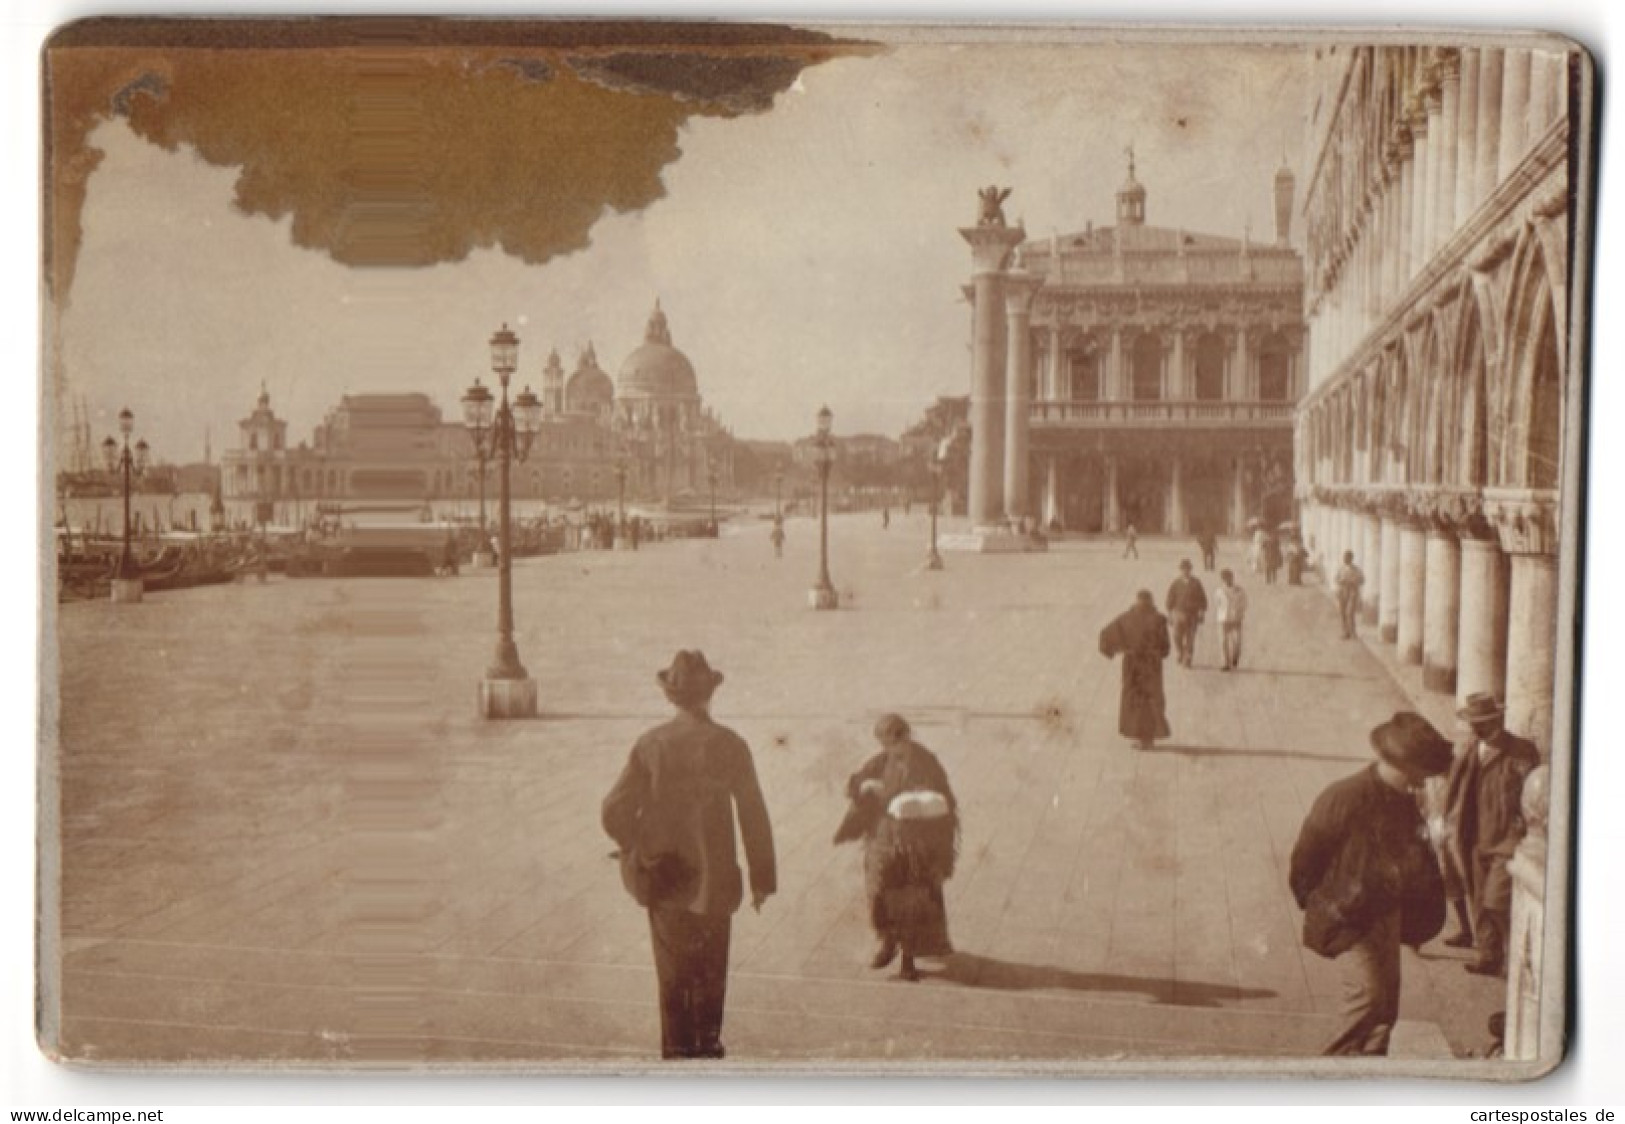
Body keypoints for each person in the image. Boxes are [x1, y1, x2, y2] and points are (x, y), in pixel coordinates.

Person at [601, 650, 776, 1060]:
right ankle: (708, 1050)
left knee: (673, 980)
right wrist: (763, 880)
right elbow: (754, 815)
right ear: (708, 695)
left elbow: (613, 809)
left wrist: (636, 846)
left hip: (665, 881)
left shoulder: (651, 744)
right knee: (711, 977)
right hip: (715, 883)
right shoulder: (730, 744)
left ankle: (677, 1063)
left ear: (671, 697)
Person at [1289, 711, 1453, 1056]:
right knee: (1367, 1002)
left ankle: (1369, 1073)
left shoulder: (1406, 802)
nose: (1427, 780)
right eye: (1424, 772)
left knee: (1385, 1011)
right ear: (1409, 767)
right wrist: (1325, 905)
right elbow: (1305, 860)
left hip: (1387, 916)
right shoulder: (1345, 796)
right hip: (1350, 919)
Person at [841, 714, 959, 983]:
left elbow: (945, 800)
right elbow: (855, 782)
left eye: (892, 743)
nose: (888, 749)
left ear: (905, 737)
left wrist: (922, 800)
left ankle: (908, 960)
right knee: (880, 892)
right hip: (884, 839)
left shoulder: (926, 761)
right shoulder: (882, 760)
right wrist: (864, 786)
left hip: (917, 843)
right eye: (884, 743)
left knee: (912, 900)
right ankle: (887, 942)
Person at [1438, 693, 1540, 977]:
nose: (1477, 728)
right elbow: (1455, 789)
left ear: (1497, 720)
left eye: (1482, 722)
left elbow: (1532, 794)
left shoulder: (1521, 751)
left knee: (1496, 901)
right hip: (1472, 838)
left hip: (1505, 841)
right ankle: (1488, 956)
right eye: (1474, 723)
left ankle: (1516, 957)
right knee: (1480, 899)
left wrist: (1520, 828)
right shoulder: (1472, 749)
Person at [1098, 590, 1172, 750]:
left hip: (1132, 666)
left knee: (1135, 700)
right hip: (1152, 666)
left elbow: (1105, 636)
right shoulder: (1159, 620)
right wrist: (1158, 653)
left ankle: (1140, 736)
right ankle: (1149, 738)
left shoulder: (1126, 618)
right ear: (1151, 601)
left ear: (1136, 601)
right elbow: (1166, 648)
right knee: (1152, 699)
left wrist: (1116, 650)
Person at [1165, 559, 1208, 668]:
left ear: (1190, 570)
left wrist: (1202, 612)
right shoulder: (1176, 583)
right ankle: (1180, 652)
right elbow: (1170, 599)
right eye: (1183, 569)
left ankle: (1188, 658)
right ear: (1180, 570)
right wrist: (1169, 614)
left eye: (1187, 569)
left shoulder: (1196, 583)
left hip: (1192, 615)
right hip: (1178, 614)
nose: (1185, 571)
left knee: (1190, 638)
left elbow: (1202, 598)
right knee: (1176, 636)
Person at [1212, 568, 1248, 671]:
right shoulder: (1219, 591)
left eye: (1229, 578)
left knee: (1237, 641)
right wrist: (1222, 612)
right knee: (1223, 641)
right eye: (1224, 579)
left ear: (1232, 578)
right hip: (1223, 619)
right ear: (1222, 580)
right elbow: (1217, 603)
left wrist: (1240, 612)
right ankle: (1225, 663)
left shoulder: (1240, 590)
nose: (1227, 580)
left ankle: (1235, 658)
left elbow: (1244, 603)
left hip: (1236, 618)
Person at [1335, 551, 1365, 640]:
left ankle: (1353, 632)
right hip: (1342, 592)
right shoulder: (1341, 569)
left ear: (1351, 558)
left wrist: (1353, 581)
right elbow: (1336, 579)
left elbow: (1362, 580)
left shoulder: (1356, 569)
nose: (1345, 559)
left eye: (1347, 557)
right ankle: (1345, 632)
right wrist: (1342, 580)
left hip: (1352, 592)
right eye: (1344, 557)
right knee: (1342, 612)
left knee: (1350, 612)